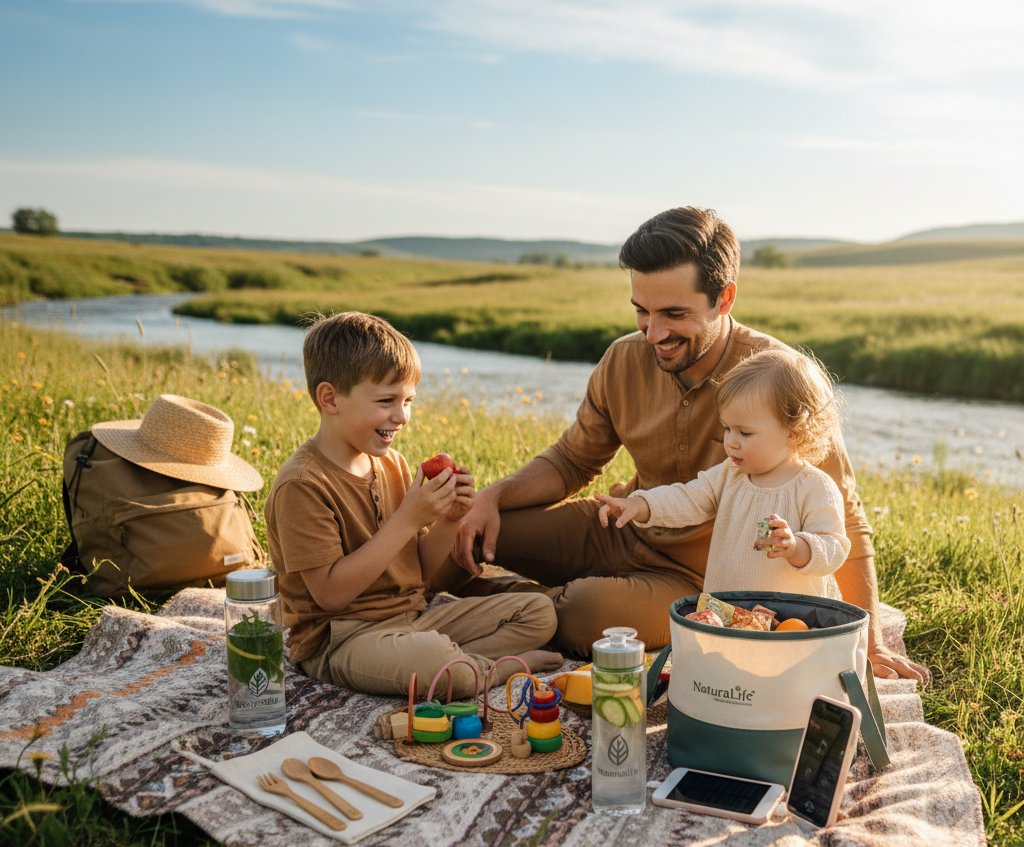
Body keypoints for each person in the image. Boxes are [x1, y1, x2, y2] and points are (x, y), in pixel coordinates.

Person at [452, 206, 926, 681]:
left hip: (697, 583)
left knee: (582, 614)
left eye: (674, 314)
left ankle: (491, 607)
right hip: (622, 522)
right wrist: (493, 498)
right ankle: (422, 607)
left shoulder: (781, 380)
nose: (653, 334)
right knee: (465, 530)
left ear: (725, 298)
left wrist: (869, 642)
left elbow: (845, 516)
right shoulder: (622, 359)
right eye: (642, 310)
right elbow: (573, 460)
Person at [265, 311, 563, 697]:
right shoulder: (302, 484)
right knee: (438, 663)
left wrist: (450, 519)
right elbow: (331, 594)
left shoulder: (392, 464)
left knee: (538, 613)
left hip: (412, 620)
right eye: (386, 400)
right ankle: (486, 669)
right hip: (343, 639)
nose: (402, 416)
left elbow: (417, 569)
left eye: (408, 401)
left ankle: (458, 663)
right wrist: (407, 518)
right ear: (330, 398)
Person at [595, 347, 850, 599]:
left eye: (745, 433)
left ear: (795, 432)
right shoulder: (730, 474)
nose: (731, 442)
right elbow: (687, 499)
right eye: (727, 428)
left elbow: (833, 547)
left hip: (789, 620)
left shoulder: (814, 487)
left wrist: (796, 547)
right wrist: (640, 505)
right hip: (727, 607)